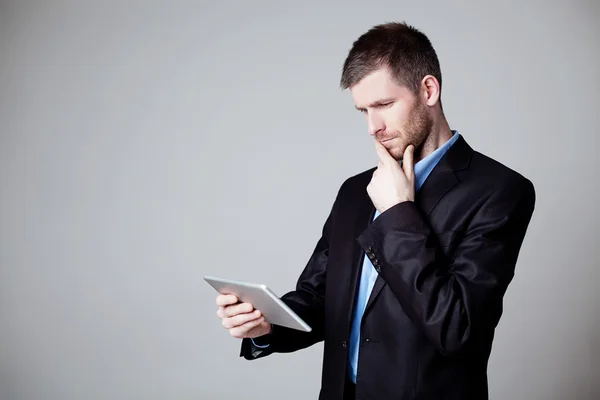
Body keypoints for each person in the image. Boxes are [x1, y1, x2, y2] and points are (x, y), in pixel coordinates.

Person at [214, 21, 535, 400]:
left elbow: (456, 329)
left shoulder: (499, 190)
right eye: (362, 110)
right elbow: (319, 297)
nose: (373, 127)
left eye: (383, 105)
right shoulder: (355, 190)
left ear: (428, 89)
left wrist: (399, 212)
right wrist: (265, 327)